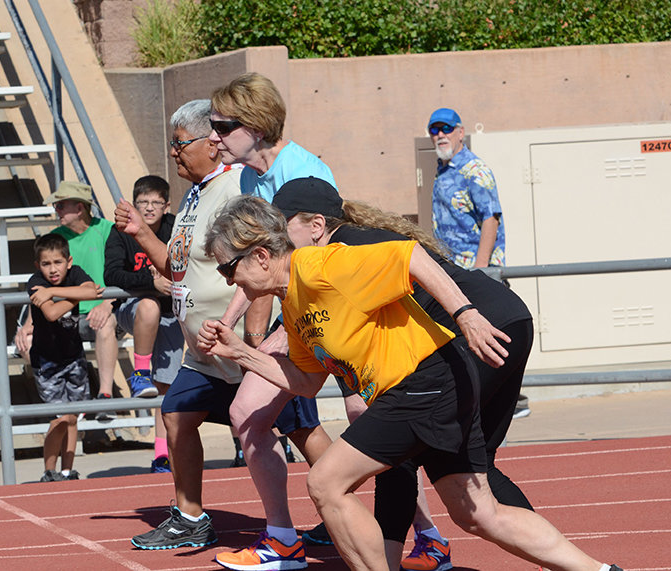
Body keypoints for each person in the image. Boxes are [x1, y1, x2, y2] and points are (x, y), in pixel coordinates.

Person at [198, 195, 625, 571]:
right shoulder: (293, 303)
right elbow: (306, 383)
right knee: (477, 513)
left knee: (326, 481)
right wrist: (240, 352)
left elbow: (410, 257)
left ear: (259, 255)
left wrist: (466, 314)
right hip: (423, 390)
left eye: (227, 268)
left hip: (424, 380)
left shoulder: (320, 266)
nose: (228, 281)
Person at [272, 177, 536, 570]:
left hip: (479, 327)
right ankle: (565, 562)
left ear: (315, 226)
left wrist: (466, 316)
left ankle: (389, 560)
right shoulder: (343, 246)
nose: (277, 239)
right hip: (507, 318)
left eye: (281, 226)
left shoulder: (341, 251)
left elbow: (411, 260)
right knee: (470, 469)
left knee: (406, 450)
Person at [116, 100, 317, 563]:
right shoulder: (193, 193)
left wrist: (253, 335)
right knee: (176, 414)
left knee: (300, 428)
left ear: (210, 141)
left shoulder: (236, 187)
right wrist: (142, 233)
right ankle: (190, 518)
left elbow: (262, 262)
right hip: (203, 349)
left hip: (236, 343)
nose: (173, 153)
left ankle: (335, 503)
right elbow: (180, 264)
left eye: (179, 143)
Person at [206, 72, 337, 567]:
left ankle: (427, 537)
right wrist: (229, 321)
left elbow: (316, 259)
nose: (214, 136)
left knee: (377, 424)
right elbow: (254, 266)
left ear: (256, 126)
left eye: (222, 125)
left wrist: (256, 334)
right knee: (247, 415)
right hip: (296, 318)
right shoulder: (247, 176)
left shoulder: (305, 172)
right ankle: (283, 538)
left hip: (332, 314)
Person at [429, 107, 530, 422]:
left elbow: (491, 218)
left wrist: (480, 269)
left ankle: (509, 400)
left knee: (488, 337)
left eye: (446, 128)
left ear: (461, 131)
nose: (440, 134)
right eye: (434, 129)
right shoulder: (443, 170)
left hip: (474, 273)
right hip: (453, 271)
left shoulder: (475, 170)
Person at [16, 181, 120, 421]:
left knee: (105, 324)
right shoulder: (54, 240)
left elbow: (119, 274)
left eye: (61, 205)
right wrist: (29, 322)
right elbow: (42, 291)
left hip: (99, 310)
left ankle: (105, 397)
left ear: (80, 208)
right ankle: (56, 399)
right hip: (63, 316)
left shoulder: (106, 231)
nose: (57, 210)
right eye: (56, 205)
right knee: (26, 340)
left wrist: (107, 304)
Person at [104, 175, 184, 472]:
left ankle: (162, 455)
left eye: (155, 203)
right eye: (143, 203)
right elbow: (111, 275)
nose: (149, 209)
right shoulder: (120, 232)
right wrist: (151, 282)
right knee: (148, 306)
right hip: (133, 307)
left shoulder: (176, 227)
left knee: (168, 388)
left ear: (166, 205)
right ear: (133, 205)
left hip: (171, 313)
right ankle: (140, 372)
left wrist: (170, 282)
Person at [26, 233, 100, 482]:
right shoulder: (35, 282)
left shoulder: (75, 273)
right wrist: (77, 294)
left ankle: (67, 471)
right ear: (38, 266)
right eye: (46, 264)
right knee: (59, 419)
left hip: (73, 356)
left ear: (68, 262)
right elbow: (51, 312)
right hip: (46, 362)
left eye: (58, 262)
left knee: (72, 416)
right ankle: (49, 471)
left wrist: (56, 291)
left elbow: (93, 291)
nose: (53, 269)